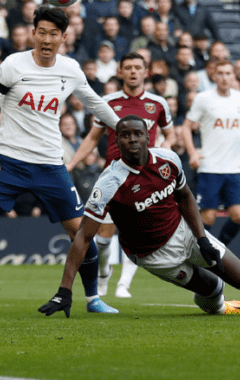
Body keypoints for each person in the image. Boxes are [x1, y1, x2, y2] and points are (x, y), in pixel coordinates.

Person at [0, 6, 124, 315]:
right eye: (41, 32)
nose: (46, 39)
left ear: (64, 37)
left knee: (82, 234)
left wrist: (122, 127)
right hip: (8, 162)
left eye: (53, 34)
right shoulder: (13, 65)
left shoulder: (70, 70)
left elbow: (95, 103)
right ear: (33, 33)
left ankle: (93, 299)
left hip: (49, 165)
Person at [38, 116, 240, 318]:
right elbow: (83, 237)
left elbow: (185, 197)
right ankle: (220, 308)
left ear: (147, 136)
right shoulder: (109, 182)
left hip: (184, 232)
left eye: (137, 134)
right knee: (212, 289)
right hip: (152, 254)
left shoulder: (167, 160)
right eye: (124, 135)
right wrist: (65, 290)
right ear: (118, 140)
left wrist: (201, 237)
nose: (132, 140)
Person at [66, 52, 175, 298]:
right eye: (128, 68)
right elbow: (93, 138)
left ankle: (123, 285)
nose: (133, 72)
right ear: (120, 71)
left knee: (139, 235)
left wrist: (166, 148)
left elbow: (171, 133)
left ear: (146, 72)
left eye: (138, 67)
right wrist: (72, 162)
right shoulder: (108, 102)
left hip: (146, 178)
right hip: (114, 178)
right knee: (103, 241)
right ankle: (105, 273)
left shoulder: (158, 103)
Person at [181, 61, 240, 246]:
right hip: (210, 167)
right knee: (208, 217)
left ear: (234, 76)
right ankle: (199, 251)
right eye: (220, 73)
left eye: (228, 73)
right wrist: (192, 153)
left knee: (239, 215)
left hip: (235, 167)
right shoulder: (203, 99)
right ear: (214, 76)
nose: (224, 77)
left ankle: (221, 249)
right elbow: (185, 128)